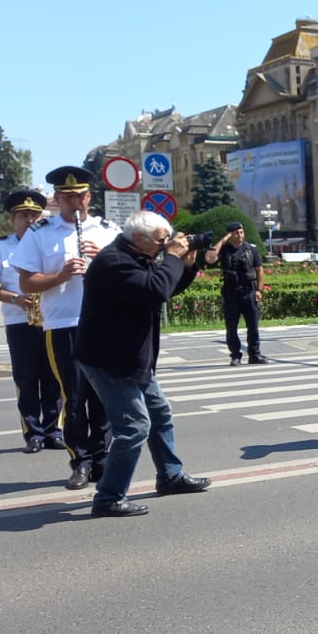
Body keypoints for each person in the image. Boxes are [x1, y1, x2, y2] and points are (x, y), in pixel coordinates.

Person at [75, 210, 208, 518]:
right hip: (108, 359)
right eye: (161, 241)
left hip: (132, 357)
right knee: (134, 427)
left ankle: (170, 476)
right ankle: (108, 496)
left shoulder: (134, 256)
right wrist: (173, 258)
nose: (166, 246)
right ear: (139, 239)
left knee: (160, 413)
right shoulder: (113, 262)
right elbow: (156, 289)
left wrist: (186, 266)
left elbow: (162, 288)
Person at [11, 164, 121, 490]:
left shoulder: (108, 232)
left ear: (89, 197)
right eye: (67, 197)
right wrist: (60, 275)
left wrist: (103, 259)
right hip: (63, 325)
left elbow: (130, 274)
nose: (75, 203)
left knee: (103, 397)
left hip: (104, 323)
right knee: (73, 398)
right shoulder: (39, 233)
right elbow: (27, 282)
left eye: (79, 197)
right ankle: (81, 462)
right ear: (57, 199)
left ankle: (102, 459)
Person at [0, 188, 62, 452]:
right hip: (19, 322)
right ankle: (33, 433)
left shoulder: (50, 243)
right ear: (12, 219)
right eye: (24, 215)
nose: (31, 220)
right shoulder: (0, 248)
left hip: (51, 320)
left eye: (35, 214)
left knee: (53, 379)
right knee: (26, 379)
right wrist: (16, 299)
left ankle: (53, 430)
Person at [206, 221, 267, 366]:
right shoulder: (224, 249)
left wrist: (259, 290)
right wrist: (223, 240)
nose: (240, 235)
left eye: (241, 232)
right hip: (231, 293)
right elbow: (209, 259)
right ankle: (235, 355)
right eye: (236, 233)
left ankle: (255, 355)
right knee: (231, 327)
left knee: (253, 326)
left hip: (249, 291)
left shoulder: (251, 249)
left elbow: (259, 270)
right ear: (230, 234)